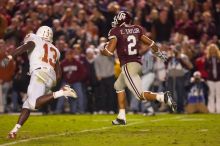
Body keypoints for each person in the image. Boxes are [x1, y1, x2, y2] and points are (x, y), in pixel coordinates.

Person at [100, 11, 177, 125]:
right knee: (118, 86)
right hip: (137, 64)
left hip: (128, 65)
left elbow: (109, 52)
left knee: (139, 95)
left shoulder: (115, 31)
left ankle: (162, 97)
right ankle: (121, 117)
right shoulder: (137, 29)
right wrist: (160, 54)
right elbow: (151, 43)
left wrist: (103, 51)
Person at [0, 26, 77, 138]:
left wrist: (10, 57)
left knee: (34, 104)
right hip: (51, 77)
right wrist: (51, 83)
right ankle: (14, 131)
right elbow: (59, 74)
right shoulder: (55, 49)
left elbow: (26, 46)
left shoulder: (35, 38)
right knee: (27, 104)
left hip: (39, 73)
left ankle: (62, 92)